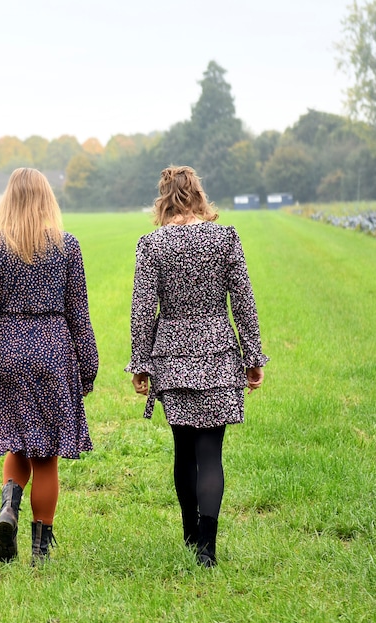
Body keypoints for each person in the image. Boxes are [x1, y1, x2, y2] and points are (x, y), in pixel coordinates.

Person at [126, 165, 268, 568]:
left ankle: (191, 536)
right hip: (219, 353)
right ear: (198, 196)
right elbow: (243, 301)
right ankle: (207, 545)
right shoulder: (225, 238)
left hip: (170, 356)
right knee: (211, 452)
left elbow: (141, 310)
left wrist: (140, 362)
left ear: (164, 198)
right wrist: (253, 356)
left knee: (183, 449)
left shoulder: (151, 244)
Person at [0, 168, 98, 565]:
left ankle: (9, 505)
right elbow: (79, 313)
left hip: (8, 352)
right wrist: (87, 366)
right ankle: (41, 551)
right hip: (54, 352)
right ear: (47, 199)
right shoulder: (67, 247)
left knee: (14, 439)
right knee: (46, 456)